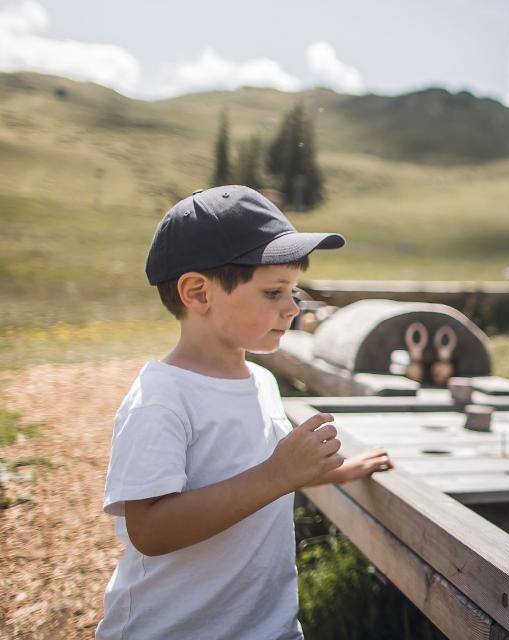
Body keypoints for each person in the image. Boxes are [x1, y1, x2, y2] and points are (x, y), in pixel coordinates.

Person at [96, 185, 394, 638]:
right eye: (274, 292)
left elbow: (257, 467)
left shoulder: (261, 381)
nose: (293, 307)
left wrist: (332, 470)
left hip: (267, 626)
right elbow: (150, 530)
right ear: (198, 293)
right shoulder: (162, 398)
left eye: (294, 291)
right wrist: (278, 475)